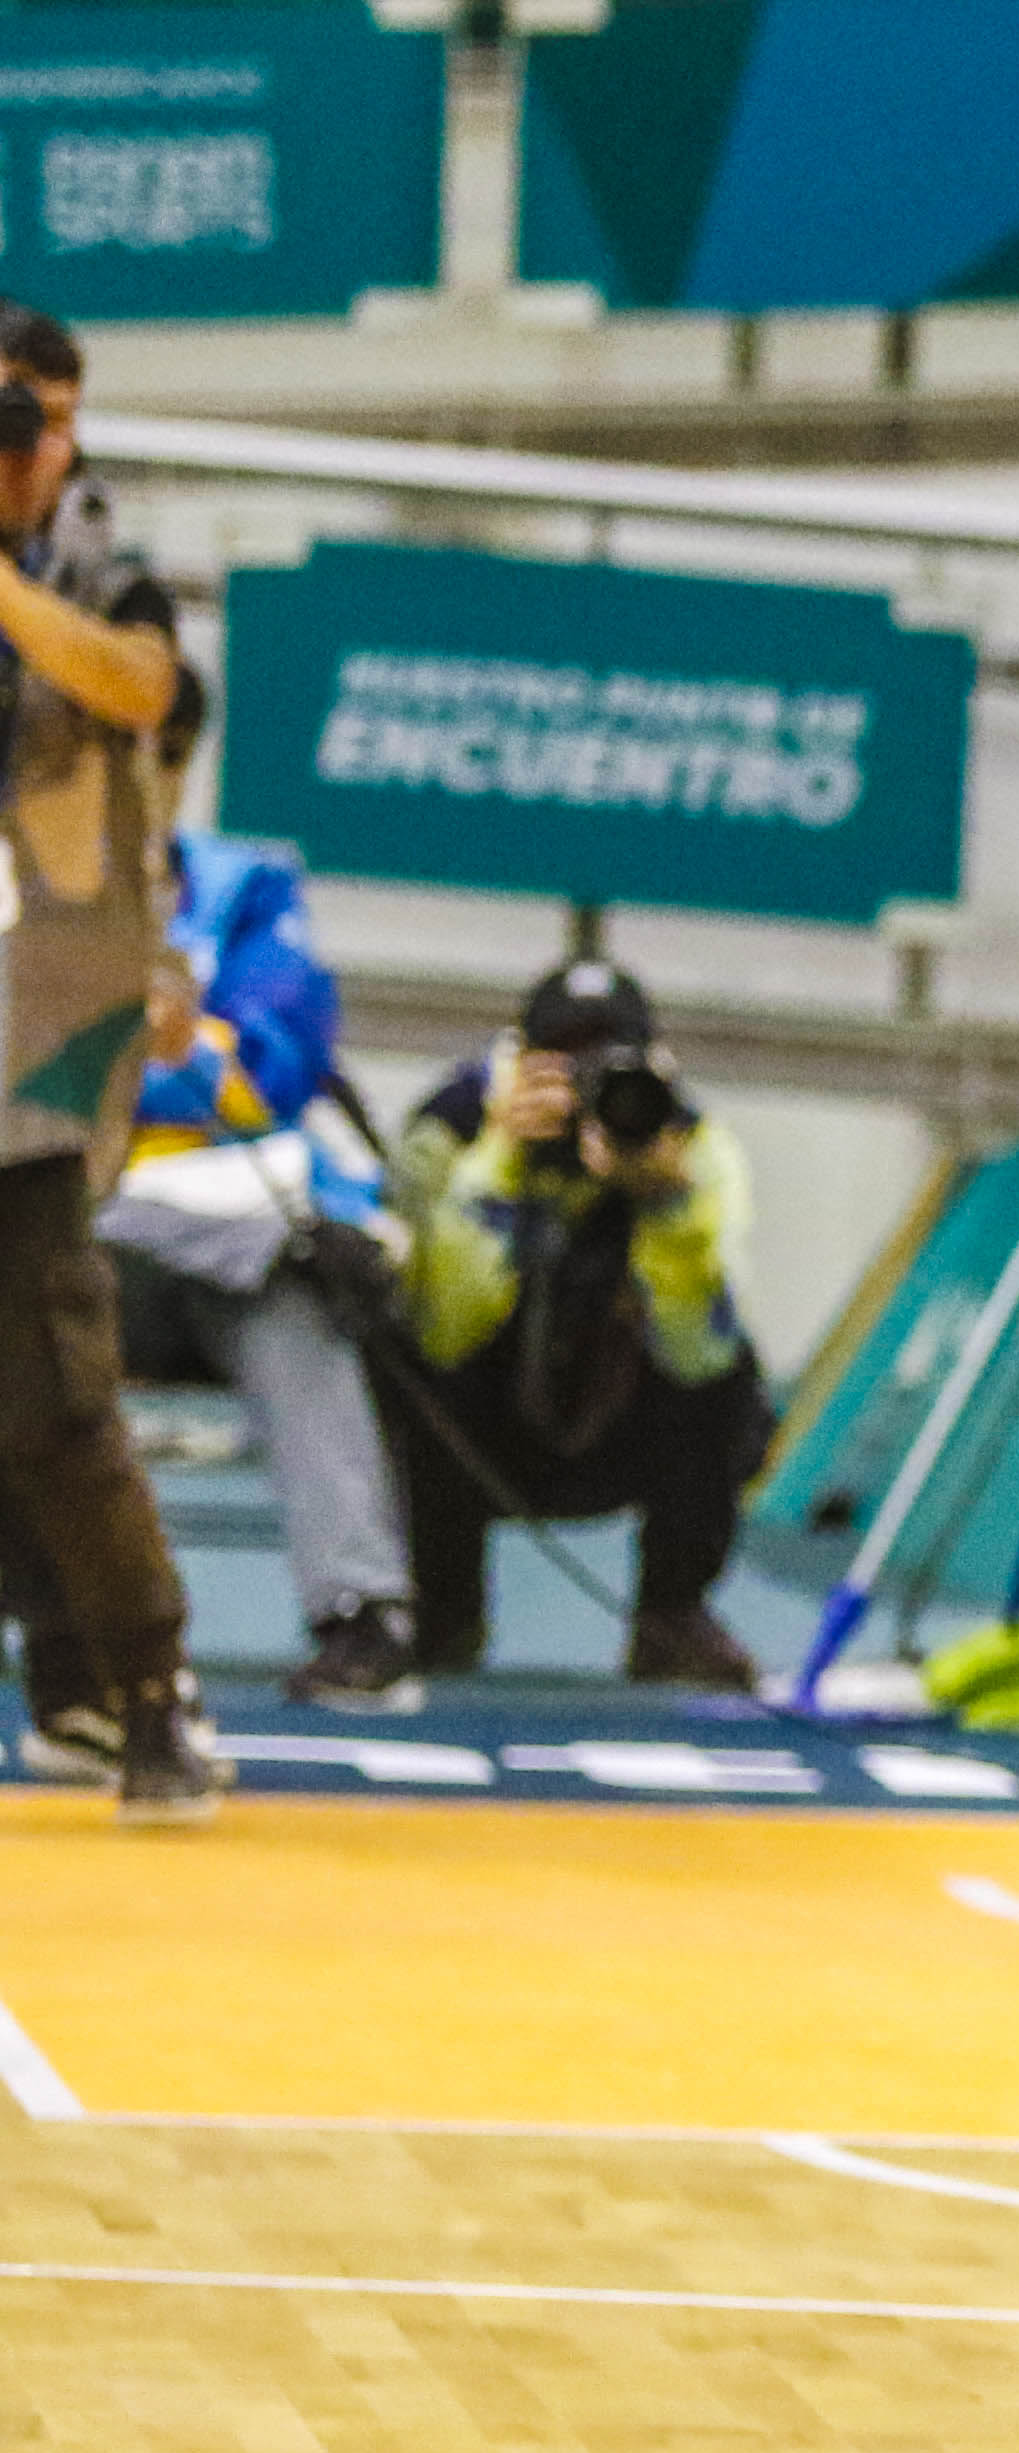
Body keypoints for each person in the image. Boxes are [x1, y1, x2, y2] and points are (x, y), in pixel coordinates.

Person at [0, 296, 224, 1822]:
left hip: (28, 1029)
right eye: (26, 415)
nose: (43, 448)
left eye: (59, 419)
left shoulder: (94, 565)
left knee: (57, 1379)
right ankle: (77, 1678)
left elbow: (143, 691)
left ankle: (139, 1689)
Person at [101, 674, 417, 1712]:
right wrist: (161, 1053)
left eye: (162, 754)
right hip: (56, 1232)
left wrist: (145, 1059)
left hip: (211, 1249)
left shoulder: (252, 895)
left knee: (290, 1289)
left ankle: (362, 1613)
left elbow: (275, 1075)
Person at [382, 960, 769, 1689]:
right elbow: (443, 1334)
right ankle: (443, 1608)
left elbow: (699, 1355)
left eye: (608, 1058)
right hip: (485, 1436)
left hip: (623, 1429)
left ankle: (672, 1615)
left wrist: (664, 1202)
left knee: (731, 1372)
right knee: (403, 1365)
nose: (586, 1081)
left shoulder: (688, 1142)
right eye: (562, 1058)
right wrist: (498, 1164)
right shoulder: (452, 1131)